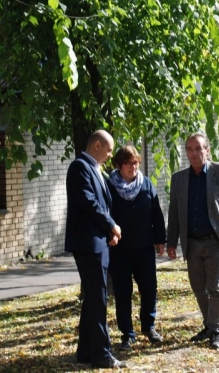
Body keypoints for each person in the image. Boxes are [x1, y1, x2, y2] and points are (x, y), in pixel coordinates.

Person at [166, 132, 219, 350]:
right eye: (190, 149)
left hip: (216, 240)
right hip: (191, 242)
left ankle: (216, 331)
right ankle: (209, 325)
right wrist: (171, 242)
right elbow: (174, 212)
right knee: (198, 287)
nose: (194, 153)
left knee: (216, 287)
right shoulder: (179, 178)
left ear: (207, 150)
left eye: (198, 149)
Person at [64, 129, 126, 369]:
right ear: (97, 146)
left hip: (98, 241)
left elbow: (102, 204)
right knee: (99, 297)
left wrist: (109, 231)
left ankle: (86, 351)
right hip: (88, 243)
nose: (111, 155)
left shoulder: (96, 169)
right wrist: (112, 225)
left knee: (93, 296)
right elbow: (88, 202)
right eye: (109, 150)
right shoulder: (80, 167)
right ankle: (102, 354)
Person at [108, 145, 167, 350]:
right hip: (120, 250)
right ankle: (127, 334)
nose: (133, 167)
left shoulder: (146, 184)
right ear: (118, 165)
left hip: (144, 248)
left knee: (149, 289)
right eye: (128, 163)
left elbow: (156, 213)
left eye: (135, 162)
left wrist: (160, 238)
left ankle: (149, 327)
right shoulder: (110, 187)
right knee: (123, 292)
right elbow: (105, 215)